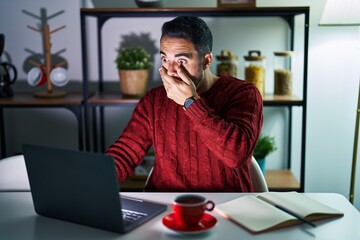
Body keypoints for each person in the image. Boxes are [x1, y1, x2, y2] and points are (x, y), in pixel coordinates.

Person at [106, 16, 263, 192]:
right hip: (167, 207)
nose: (171, 71)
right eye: (165, 59)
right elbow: (125, 153)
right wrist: (96, 179)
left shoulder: (243, 93)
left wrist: (190, 103)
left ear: (207, 60)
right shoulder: (154, 100)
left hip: (226, 206)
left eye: (181, 61)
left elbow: (236, 155)